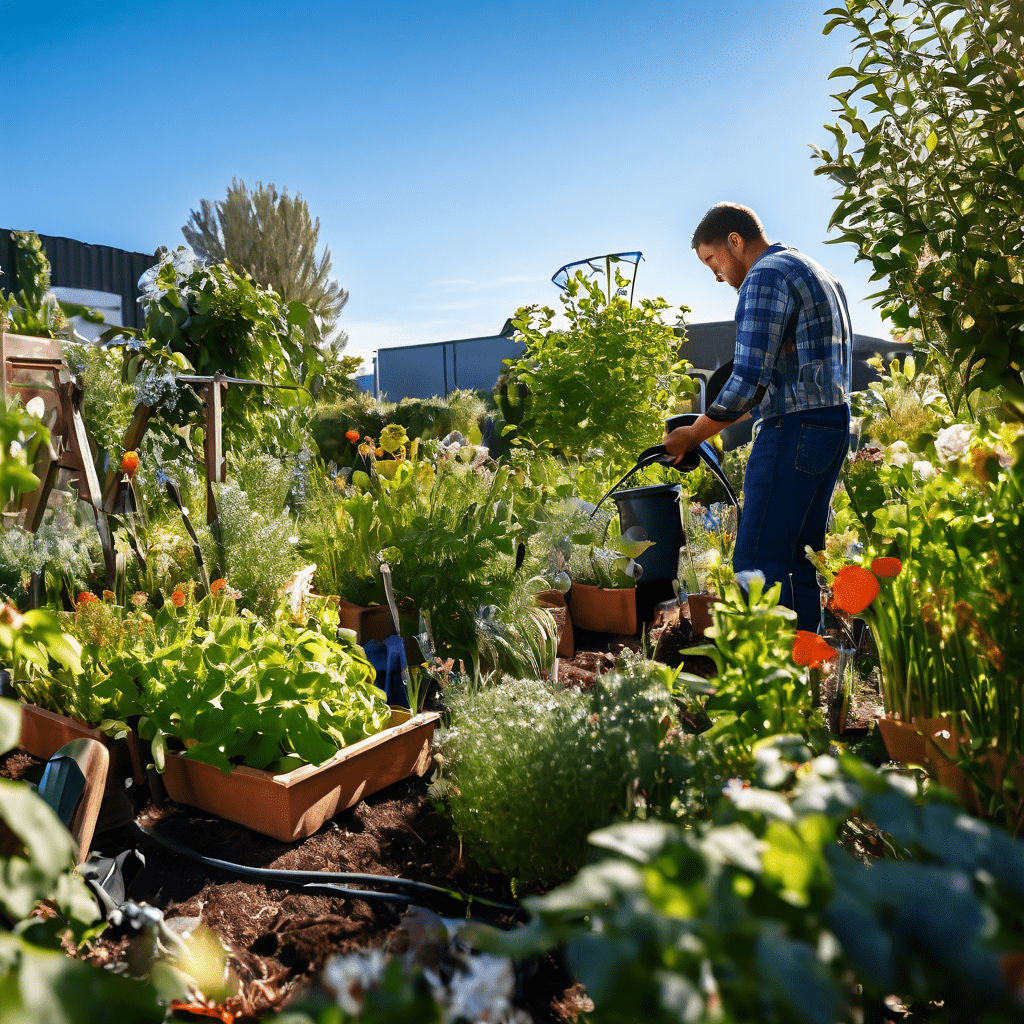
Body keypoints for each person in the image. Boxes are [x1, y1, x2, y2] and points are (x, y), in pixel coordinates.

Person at [663, 202, 852, 630]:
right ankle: (807, 672)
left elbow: (749, 379)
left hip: (793, 430)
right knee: (802, 559)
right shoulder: (818, 273)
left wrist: (693, 433)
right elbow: (797, 369)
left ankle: (768, 681)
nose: (715, 273)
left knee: (757, 561)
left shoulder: (765, 275)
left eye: (713, 260)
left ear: (735, 241)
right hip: (831, 425)